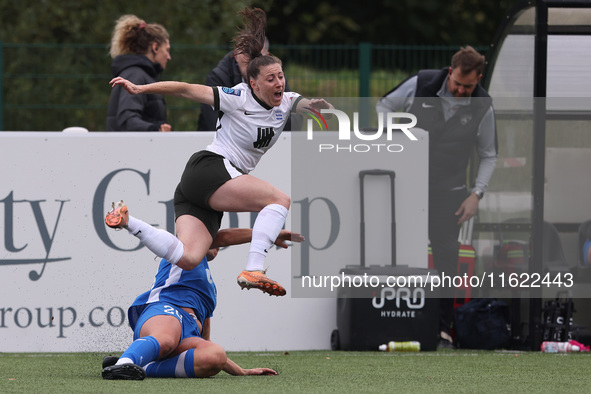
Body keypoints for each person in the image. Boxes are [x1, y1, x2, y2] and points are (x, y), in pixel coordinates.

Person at [105, 7, 333, 297]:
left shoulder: (286, 100)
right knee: (279, 200)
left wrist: (314, 104)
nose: (279, 83)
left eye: (281, 76)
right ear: (254, 84)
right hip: (210, 168)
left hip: (195, 189)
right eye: (271, 79)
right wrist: (140, 89)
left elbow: (300, 102)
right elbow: (187, 90)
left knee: (189, 258)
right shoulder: (236, 96)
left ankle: (126, 220)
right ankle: (254, 268)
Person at [376, 46, 498, 348]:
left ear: (479, 78)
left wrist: (476, 194)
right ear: (450, 71)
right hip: (407, 186)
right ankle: (394, 322)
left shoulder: (483, 105)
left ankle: (443, 329)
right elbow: (384, 107)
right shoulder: (422, 83)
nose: (460, 90)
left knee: (447, 260)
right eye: (457, 83)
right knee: (398, 251)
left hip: (451, 194)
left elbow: (489, 154)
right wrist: (397, 138)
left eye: (468, 86)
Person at [102, 227, 303, 380]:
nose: (215, 245)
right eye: (210, 239)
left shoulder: (211, 290)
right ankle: (127, 362)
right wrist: (266, 234)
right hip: (163, 311)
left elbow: (204, 341)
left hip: (186, 335)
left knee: (215, 355)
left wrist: (242, 371)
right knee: (168, 338)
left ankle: (142, 366)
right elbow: (222, 236)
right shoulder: (182, 253)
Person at [197, 37, 299, 131]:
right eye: (248, 60)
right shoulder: (218, 77)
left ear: (267, 57)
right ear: (236, 56)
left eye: (258, 59)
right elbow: (213, 122)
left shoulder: (276, 77)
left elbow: (293, 120)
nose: (253, 67)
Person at [106, 14, 172, 132]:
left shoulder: (140, 75)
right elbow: (127, 120)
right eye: (167, 50)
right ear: (155, 48)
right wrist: (155, 129)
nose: (169, 57)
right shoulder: (135, 75)